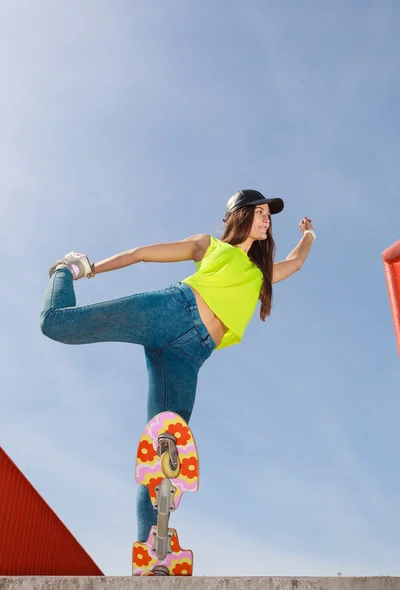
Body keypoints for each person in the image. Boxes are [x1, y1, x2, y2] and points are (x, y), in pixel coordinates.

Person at [40, 189, 315, 544]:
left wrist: (308, 234)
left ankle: (151, 550)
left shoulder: (259, 275)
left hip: (188, 357)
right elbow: (141, 254)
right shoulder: (210, 245)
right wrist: (88, 268)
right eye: (260, 211)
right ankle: (64, 268)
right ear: (239, 215)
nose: (266, 219)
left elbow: (295, 263)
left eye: (269, 215)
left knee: (161, 456)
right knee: (57, 324)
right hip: (169, 312)